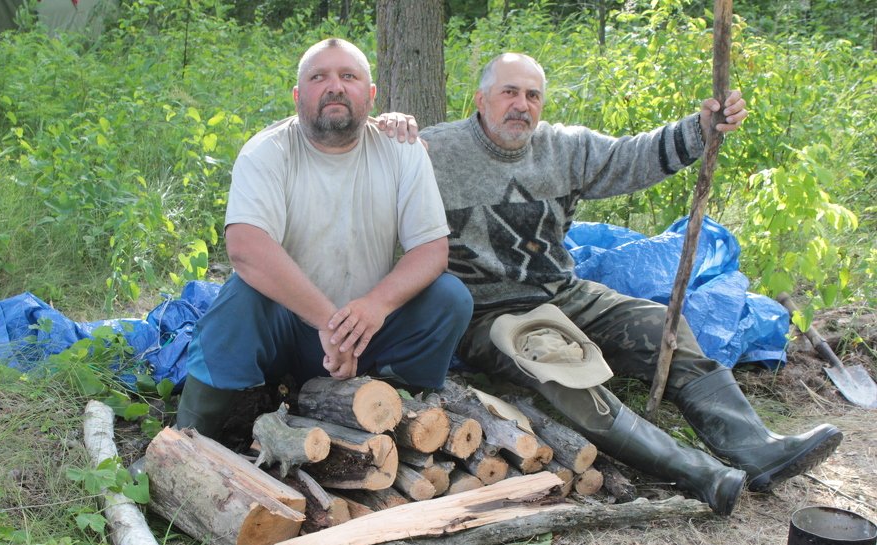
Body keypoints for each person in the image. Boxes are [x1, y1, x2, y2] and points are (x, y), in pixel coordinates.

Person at [380, 53, 840, 515]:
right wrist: (385, 128)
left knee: (660, 324)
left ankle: (754, 447)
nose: (521, 105)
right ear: (481, 99)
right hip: (486, 313)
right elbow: (366, 162)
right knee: (563, 369)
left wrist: (701, 129)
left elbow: (633, 157)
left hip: (563, 292)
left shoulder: (566, 148)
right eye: (509, 92)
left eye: (533, 95)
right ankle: (699, 472)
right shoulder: (435, 151)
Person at [176, 39, 473, 445]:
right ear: (298, 96)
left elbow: (431, 251)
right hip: (290, 330)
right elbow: (245, 248)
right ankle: (188, 438)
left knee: (450, 298)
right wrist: (327, 323)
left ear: (370, 95)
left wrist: (375, 307)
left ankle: (394, 413)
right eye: (319, 77)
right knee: (239, 299)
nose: (335, 86)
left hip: (369, 332)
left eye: (349, 76)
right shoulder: (267, 151)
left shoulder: (401, 150)